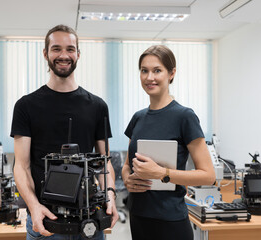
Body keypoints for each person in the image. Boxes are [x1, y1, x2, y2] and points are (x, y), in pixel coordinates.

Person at [11, 24, 118, 240]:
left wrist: (110, 195)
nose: (64, 55)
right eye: (56, 48)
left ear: (78, 54)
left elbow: (103, 162)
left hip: (89, 221)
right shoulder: (26, 106)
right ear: (45, 53)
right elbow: (21, 166)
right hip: (46, 221)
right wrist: (33, 207)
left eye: (70, 49)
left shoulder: (97, 106)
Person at [122, 45, 215, 240]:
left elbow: (208, 176)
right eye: (144, 70)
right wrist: (127, 179)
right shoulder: (138, 118)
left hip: (170, 220)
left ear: (171, 74)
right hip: (138, 216)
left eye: (157, 70)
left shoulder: (184, 116)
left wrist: (162, 173)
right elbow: (126, 166)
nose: (149, 77)